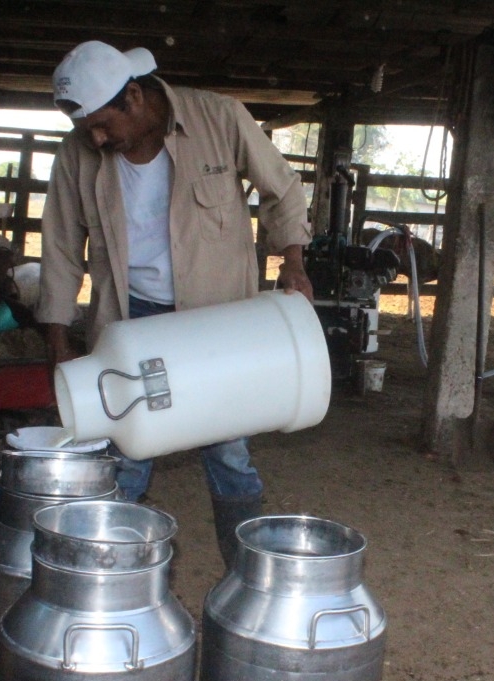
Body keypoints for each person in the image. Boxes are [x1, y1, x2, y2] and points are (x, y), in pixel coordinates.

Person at [36, 40, 314, 566]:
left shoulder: (219, 118)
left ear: (134, 97)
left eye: (101, 125)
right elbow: (60, 246)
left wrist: (292, 262)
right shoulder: (78, 154)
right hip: (130, 318)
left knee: (228, 449)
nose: (95, 138)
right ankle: (110, 571)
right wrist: (57, 336)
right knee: (124, 448)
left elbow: (284, 189)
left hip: (215, 317)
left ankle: (245, 574)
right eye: (85, 129)